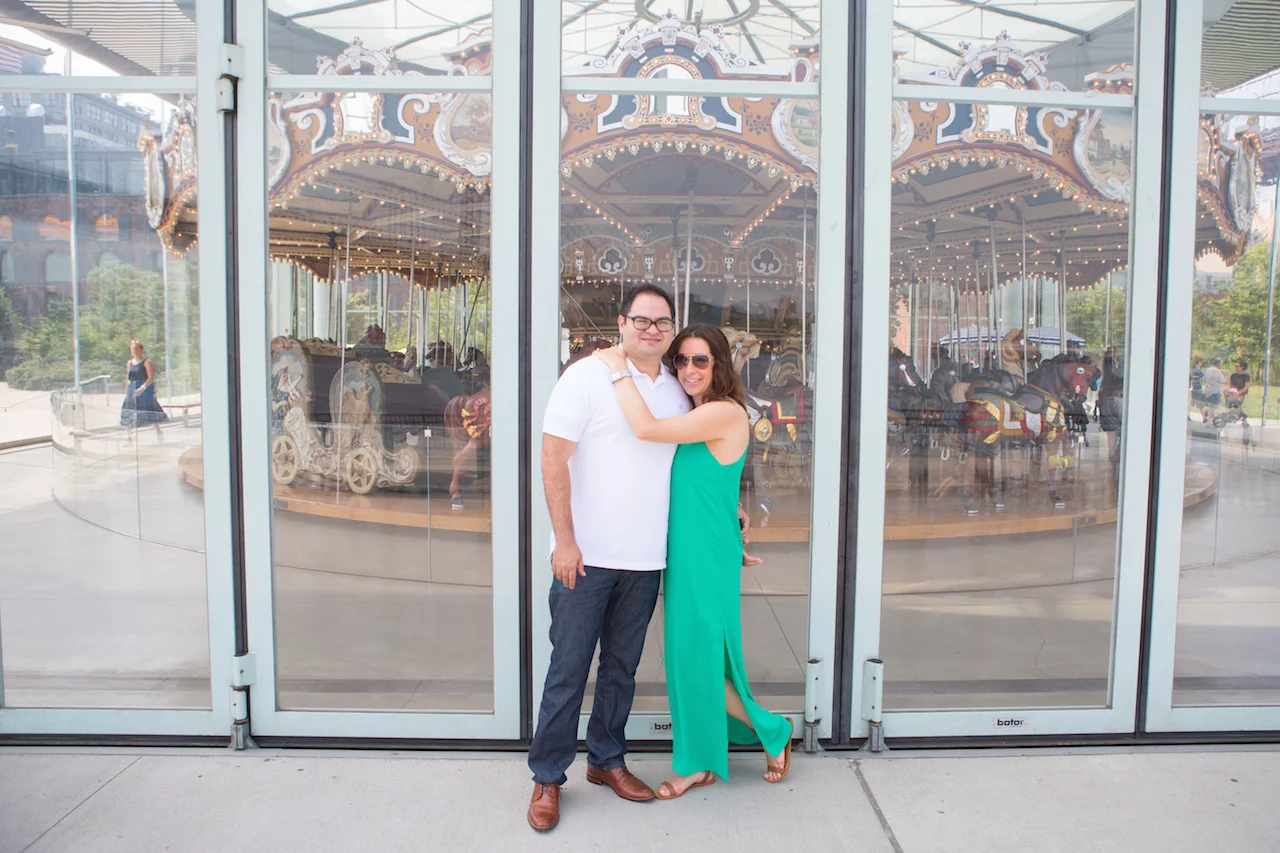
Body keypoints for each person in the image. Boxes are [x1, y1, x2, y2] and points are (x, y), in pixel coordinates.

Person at [594, 323, 794, 801]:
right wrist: (734, 512)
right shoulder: (698, 412)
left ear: (718, 364)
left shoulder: (723, 412)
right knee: (692, 657)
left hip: (703, 553)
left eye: (699, 360)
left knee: (694, 658)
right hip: (689, 549)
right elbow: (704, 481)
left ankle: (762, 733)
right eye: (680, 359)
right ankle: (710, 757)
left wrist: (619, 368)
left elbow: (646, 429)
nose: (687, 368)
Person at [526, 285, 692, 831]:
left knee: (621, 669)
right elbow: (553, 460)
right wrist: (565, 540)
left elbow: (688, 464)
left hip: (645, 559)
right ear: (621, 323)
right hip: (586, 557)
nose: (652, 330)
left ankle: (606, 759)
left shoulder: (677, 389)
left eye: (662, 322)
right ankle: (547, 776)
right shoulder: (585, 377)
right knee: (568, 670)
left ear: (671, 329)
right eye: (641, 320)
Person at [120, 339, 167, 441]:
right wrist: (127, 388)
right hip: (132, 388)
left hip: (144, 388)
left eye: (137, 349)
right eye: (133, 349)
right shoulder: (129, 363)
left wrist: (142, 388)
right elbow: (128, 377)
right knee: (129, 409)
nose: (135, 351)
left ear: (141, 349)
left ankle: (158, 431)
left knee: (148, 409)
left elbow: (150, 377)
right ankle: (129, 435)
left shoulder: (146, 362)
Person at [1202, 357, 1226, 423]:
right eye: (1221, 364)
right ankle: (1210, 421)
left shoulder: (1208, 370)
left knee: (1209, 406)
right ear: (1218, 364)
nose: (1221, 365)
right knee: (1213, 407)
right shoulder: (1217, 371)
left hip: (1208, 390)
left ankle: (1207, 419)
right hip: (1216, 390)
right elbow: (1222, 380)